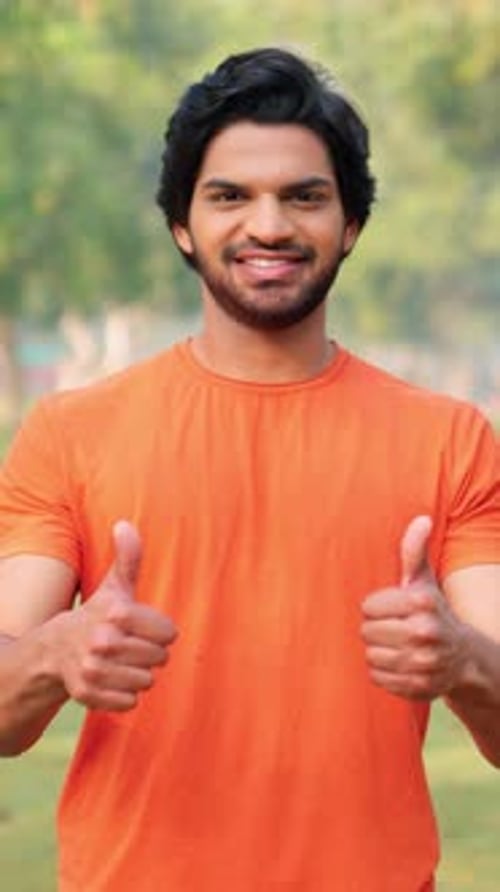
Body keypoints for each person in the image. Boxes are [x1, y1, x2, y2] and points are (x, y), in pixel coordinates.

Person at [0, 47, 498, 892]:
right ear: (181, 226)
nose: (269, 226)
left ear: (351, 226)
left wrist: (463, 660)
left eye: (304, 197)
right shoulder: (70, 433)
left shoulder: (453, 439)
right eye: (230, 196)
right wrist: (55, 654)